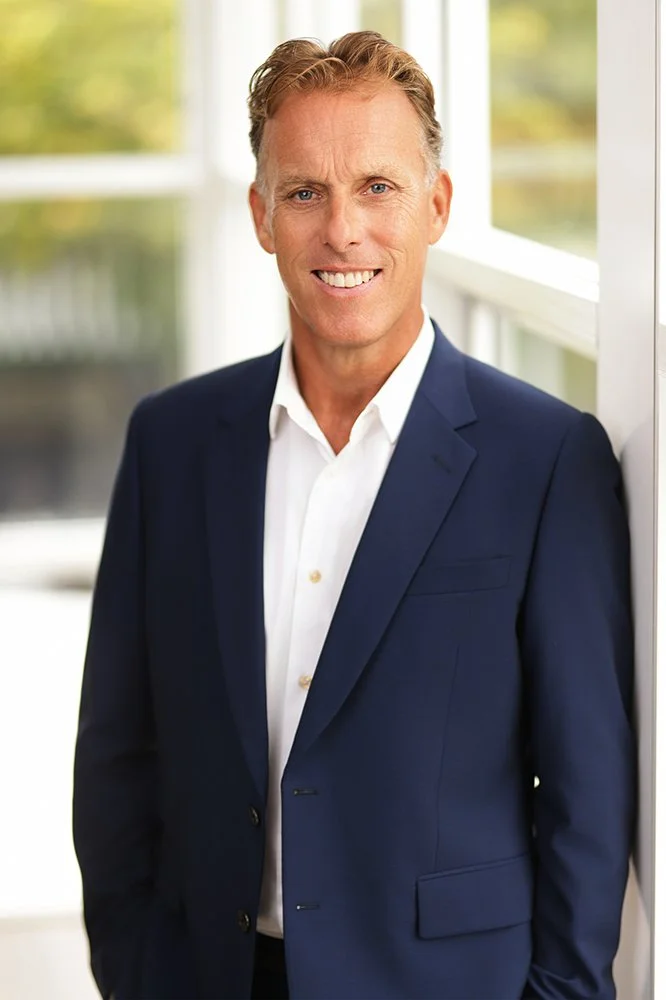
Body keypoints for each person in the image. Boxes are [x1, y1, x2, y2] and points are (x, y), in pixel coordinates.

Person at [73, 30, 635, 1000]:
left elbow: (587, 794)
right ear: (261, 215)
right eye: (305, 193)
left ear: (437, 205)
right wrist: (134, 970)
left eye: (378, 187)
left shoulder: (547, 460)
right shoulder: (170, 443)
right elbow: (117, 752)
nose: (343, 230)